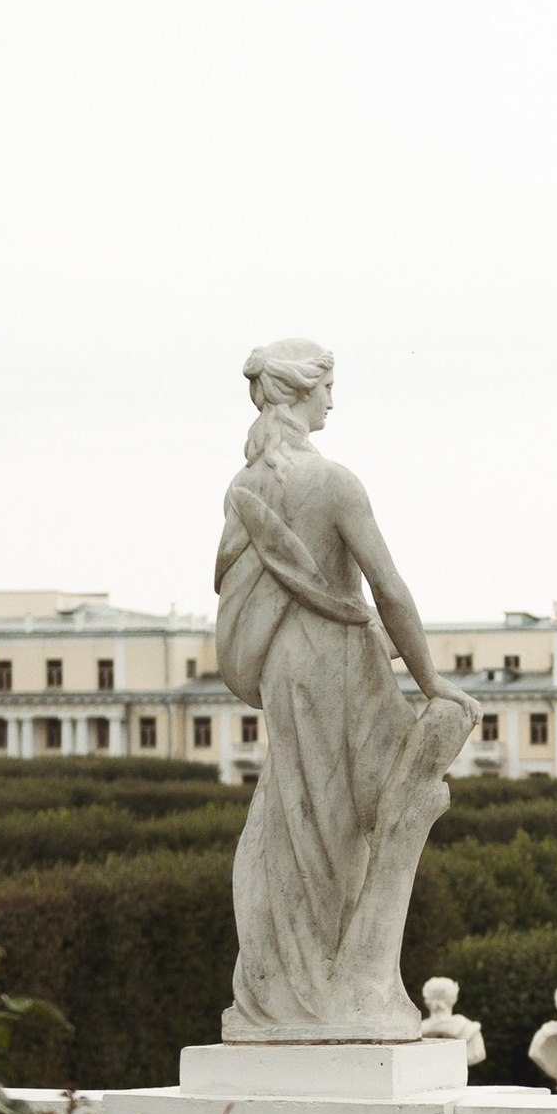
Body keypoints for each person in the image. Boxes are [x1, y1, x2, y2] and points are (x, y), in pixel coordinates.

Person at [215, 337, 475, 1039]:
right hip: (335, 663)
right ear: (301, 391)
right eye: (327, 387)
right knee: (338, 823)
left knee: (290, 812)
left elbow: (240, 598)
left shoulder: (245, 486)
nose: (334, 400)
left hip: (282, 665)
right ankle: (327, 991)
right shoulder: (333, 482)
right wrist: (431, 680)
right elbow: (387, 587)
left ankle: (283, 988)